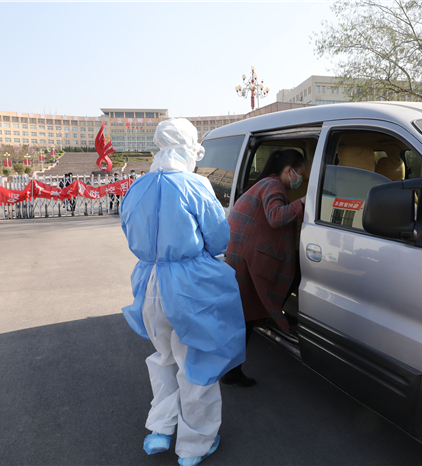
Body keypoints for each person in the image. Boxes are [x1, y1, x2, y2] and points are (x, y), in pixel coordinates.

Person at [120, 118, 246, 466]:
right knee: (197, 362)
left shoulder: (138, 186)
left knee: (163, 356)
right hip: (191, 286)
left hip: (149, 281)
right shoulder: (195, 185)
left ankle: (160, 429)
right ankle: (194, 445)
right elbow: (218, 238)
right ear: (190, 148)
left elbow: (129, 230)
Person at [222, 149, 306, 387]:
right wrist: (303, 202)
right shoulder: (273, 186)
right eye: (301, 174)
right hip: (247, 260)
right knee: (245, 318)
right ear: (289, 171)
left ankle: (231, 369)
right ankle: (231, 371)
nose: (301, 180)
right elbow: (276, 216)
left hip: (241, 255)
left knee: (244, 316)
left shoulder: (266, 183)